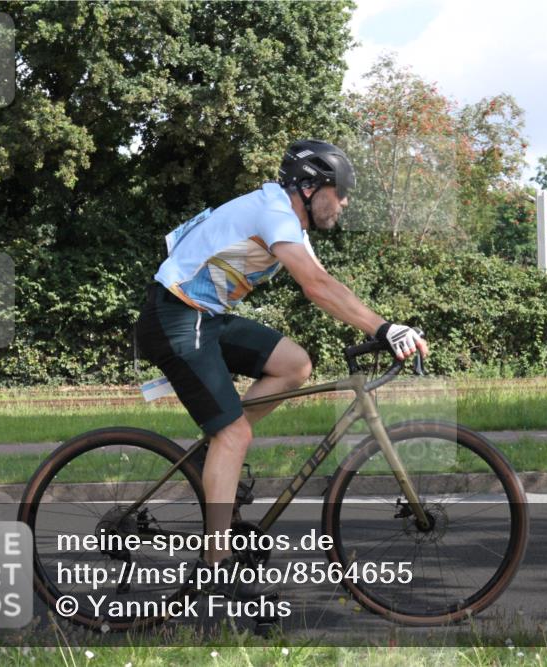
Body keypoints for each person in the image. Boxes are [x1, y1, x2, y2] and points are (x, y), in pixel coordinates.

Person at [136, 139, 427, 596]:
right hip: (175, 316)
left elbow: (328, 285)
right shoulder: (274, 212)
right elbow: (315, 286)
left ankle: (218, 453)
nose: (345, 202)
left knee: (294, 364)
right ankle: (217, 567)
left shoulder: (290, 224)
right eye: (340, 191)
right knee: (235, 434)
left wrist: (378, 327)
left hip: (203, 316)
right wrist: (384, 328)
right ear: (310, 188)